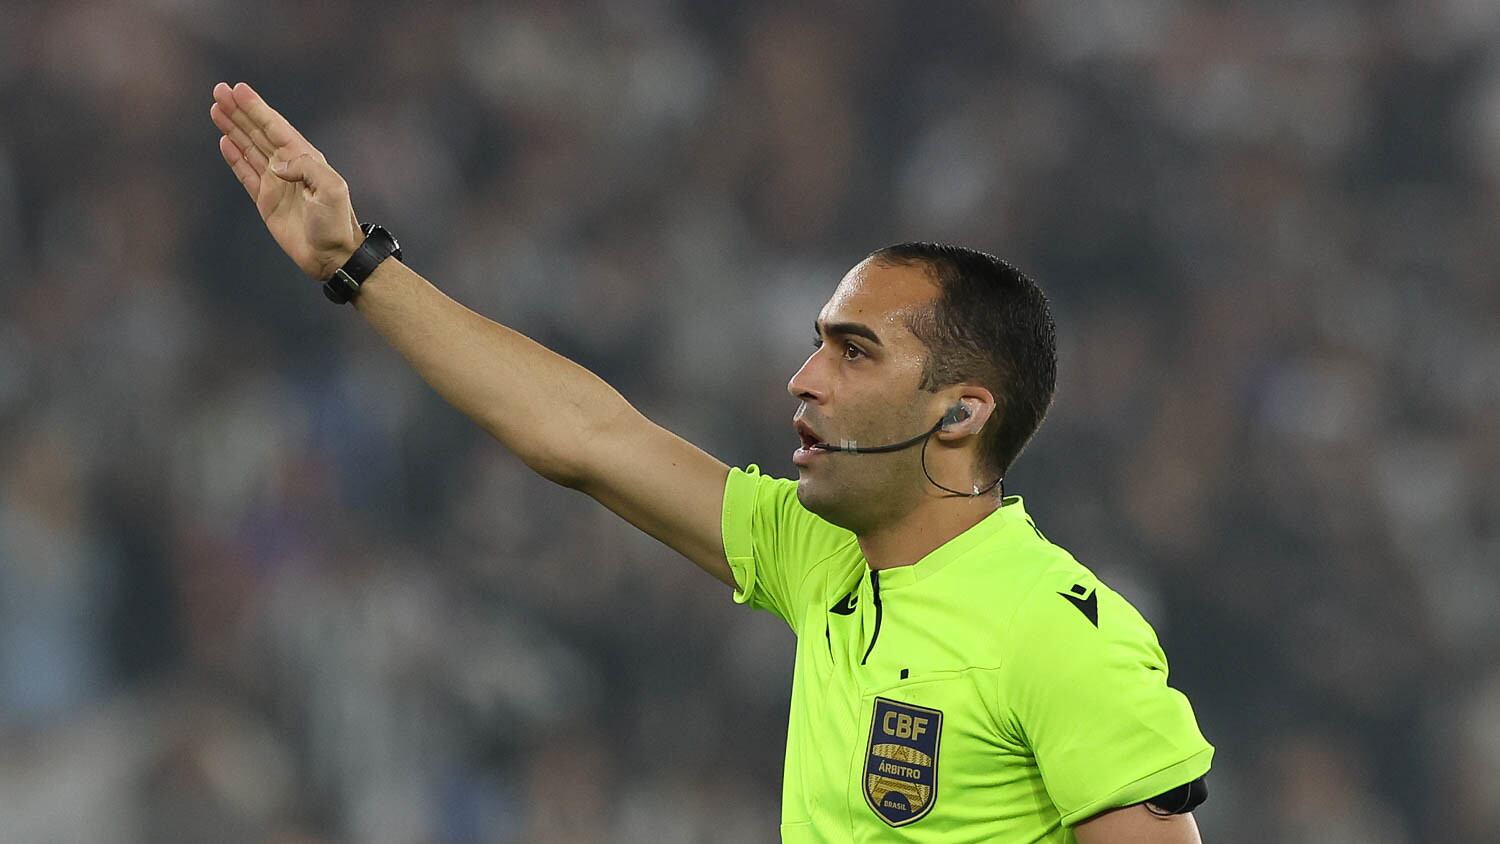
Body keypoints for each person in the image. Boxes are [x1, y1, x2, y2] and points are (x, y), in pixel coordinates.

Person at [210, 80, 1214, 843]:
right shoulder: (820, 556)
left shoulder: (1059, 629)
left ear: (959, 412)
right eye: (819, 341)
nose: (803, 377)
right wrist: (357, 262)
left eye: (852, 351)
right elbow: (589, 438)